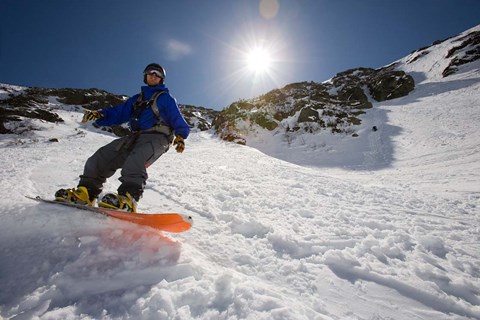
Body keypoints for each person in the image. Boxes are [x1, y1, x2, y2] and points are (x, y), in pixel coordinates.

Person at [55, 63, 190, 213]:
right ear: (145, 76)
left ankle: (128, 199)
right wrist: (100, 114)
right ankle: (86, 193)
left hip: (158, 137)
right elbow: (119, 112)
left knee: (135, 160)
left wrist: (180, 135)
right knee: (102, 156)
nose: (153, 75)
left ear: (161, 79)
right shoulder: (136, 100)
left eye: (157, 74)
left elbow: (176, 116)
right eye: (150, 72)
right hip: (136, 136)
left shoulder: (165, 98)